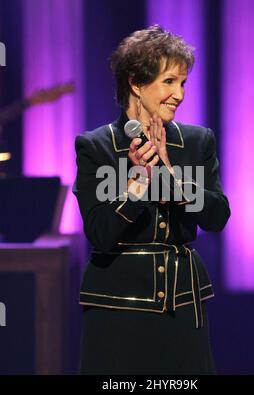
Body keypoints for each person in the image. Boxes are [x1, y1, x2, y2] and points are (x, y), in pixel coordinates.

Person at [72, 25, 231, 375]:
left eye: (183, 83)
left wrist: (171, 177)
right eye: (169, 82)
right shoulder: (95, 146)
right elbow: (100, 233)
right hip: (117, 304)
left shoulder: (196, 141)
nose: (179, 94)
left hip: (183, 303)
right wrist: (140, 181)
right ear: (136, 83)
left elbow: (218, 217)